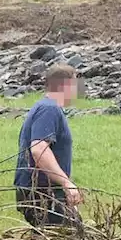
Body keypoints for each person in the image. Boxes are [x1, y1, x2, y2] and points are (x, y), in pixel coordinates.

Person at [15, 63, 83, 227]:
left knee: (61, 238)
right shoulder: (49, 109)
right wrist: (66, 183)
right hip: (42, 192)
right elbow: (39, 149)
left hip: (45, 192)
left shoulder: (46, 107)